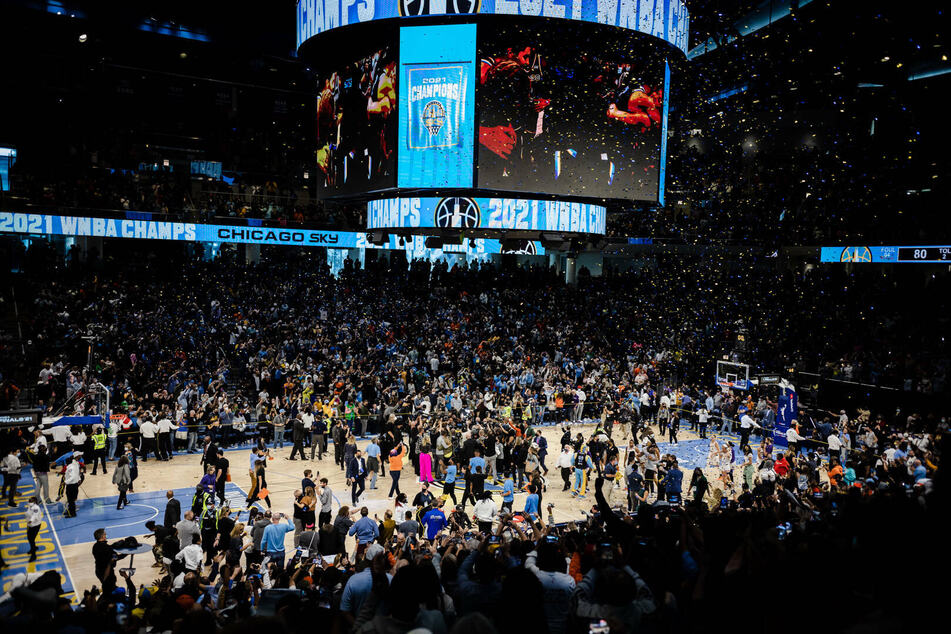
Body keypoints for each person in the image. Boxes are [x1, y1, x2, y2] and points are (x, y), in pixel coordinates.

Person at [92, 528, 124, 595]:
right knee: (110, 589)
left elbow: (105, 549)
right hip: (108, 572)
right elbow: (116, 557)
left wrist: (112, 546)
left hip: (98, 570)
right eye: (105, 534)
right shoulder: (107, 548)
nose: (106, 535)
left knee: (106, 586)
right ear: (102, 536)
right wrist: (127, 553)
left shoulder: (95, 546)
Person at [25, 496, 42, 562]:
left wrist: (30, 520)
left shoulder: (36, 508)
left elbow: (35, 515)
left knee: (31, 539)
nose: (29, 502)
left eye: (31, 501)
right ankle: (34, 548)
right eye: (29, 501)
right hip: (30, 525)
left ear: (34, 502)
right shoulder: (30, 506)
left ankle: (33, 555)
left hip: (35, 525)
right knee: (30, 538)